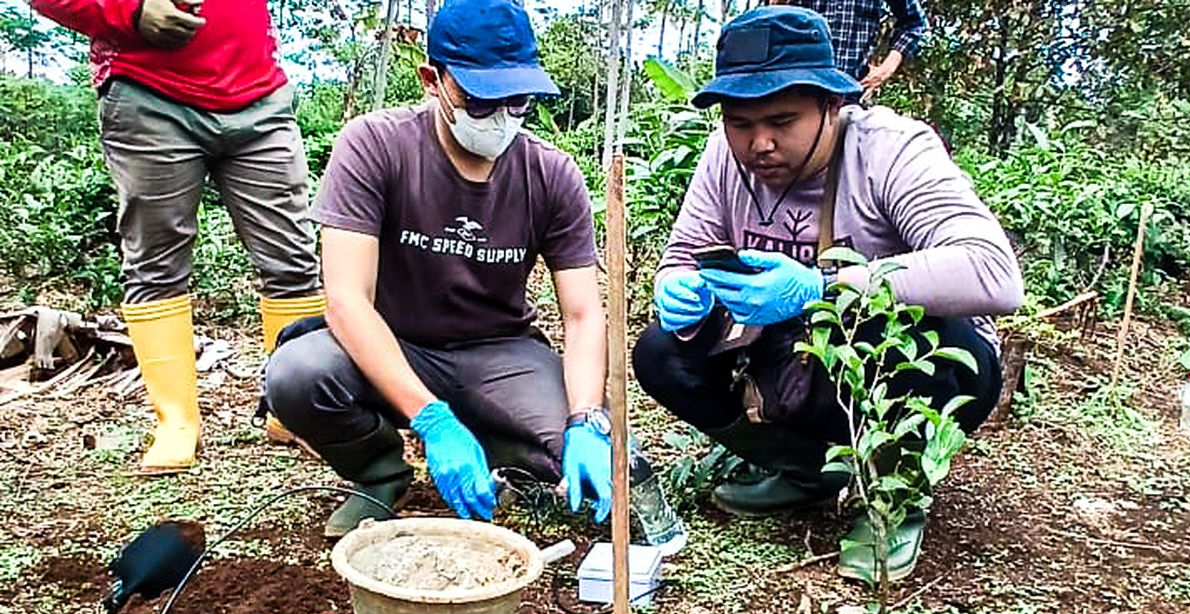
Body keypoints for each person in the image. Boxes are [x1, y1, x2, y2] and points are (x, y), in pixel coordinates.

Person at [264, 0, 685, 549]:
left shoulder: (550, 175)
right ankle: (379, 472)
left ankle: (498, 442)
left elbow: (583, 315)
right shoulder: (375, 146)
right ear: (433, 80)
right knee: (298, 374)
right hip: (393, 343)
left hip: (499, 352)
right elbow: (347, 300)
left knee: (586, 460)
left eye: (518, 100)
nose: (501, 117)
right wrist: (431, 421)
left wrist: (587, 420)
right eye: (480, 100)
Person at [632, 6, 1022, 582]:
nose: (759, 143)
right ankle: (809, 471)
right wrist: (676, 285)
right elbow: (685, 252)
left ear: (833, 105)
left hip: (896, 355)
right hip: (785, 346)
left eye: (782, 120)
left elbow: (993, 272)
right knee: (661, 353)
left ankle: (893, 495)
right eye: (741, 123)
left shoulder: (891, 150)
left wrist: (824, 286)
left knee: (933, 338)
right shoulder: (724, 156)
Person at [30, 0, 325, 474]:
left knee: (292, 261)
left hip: (258, 91)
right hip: (149, 93)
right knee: (155, 265)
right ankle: (177, 422)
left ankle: (294, 410)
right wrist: (131, 11)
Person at [768, 0, 928, 91]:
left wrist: (887, 67)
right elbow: (773, 23)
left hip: (850, 90)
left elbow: (914, 23)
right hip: (799, 90)